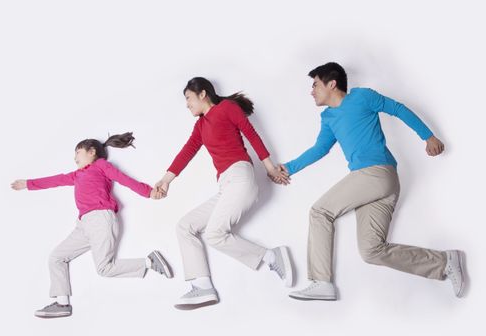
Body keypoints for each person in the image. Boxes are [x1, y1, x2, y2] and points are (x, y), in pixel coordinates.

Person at [276, 62, 464, 301]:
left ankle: (322, 281)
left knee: (320, 212)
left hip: (376, 173)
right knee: (371, 251)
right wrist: (288, 168)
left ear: (331, 84)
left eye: (315, 84)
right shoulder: (329, 117)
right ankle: (445, 261)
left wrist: (428, 137)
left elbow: (397, 108)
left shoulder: (362, 97)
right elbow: (320, 149)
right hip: (377, 185)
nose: (311, 91)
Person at [155, 77, 293, 310]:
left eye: (188, 98)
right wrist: (166, 181)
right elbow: (186, 152)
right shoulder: (200, 125)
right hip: (226, 185)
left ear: (202, 94)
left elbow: (251, 134)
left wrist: (270, 167)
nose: (187, 104)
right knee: (184, 226)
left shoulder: (227, 108)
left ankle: (271, 257)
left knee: (214, 234)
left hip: (240, 176)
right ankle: (202, 285)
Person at [11, 132, 173, 318]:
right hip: (84, 225)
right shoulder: (77, 175)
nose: (74, 158)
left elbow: (125, 179)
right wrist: (28, 184)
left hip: (100, 219)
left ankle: (150, 262)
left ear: (92, 151)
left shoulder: (101, 166)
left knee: (104, 269)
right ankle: (62, 303)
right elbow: (56, 180)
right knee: (56, 257)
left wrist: (149, 192)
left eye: (78, 152)